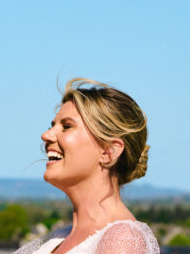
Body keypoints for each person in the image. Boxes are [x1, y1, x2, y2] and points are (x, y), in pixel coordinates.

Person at [15, 78, 159, 254]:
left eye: (67, 126)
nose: (46, 135)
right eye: (52, 126)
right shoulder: (55, 239)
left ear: (108, 152)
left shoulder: (121, 241)